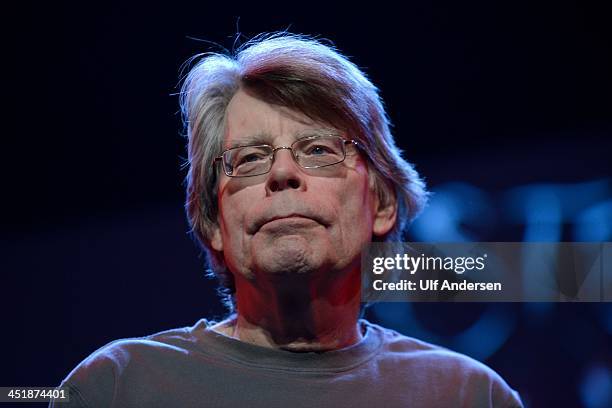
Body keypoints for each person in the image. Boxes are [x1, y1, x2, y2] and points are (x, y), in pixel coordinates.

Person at [51, 33, 523, 407]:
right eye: (251, 158)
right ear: (213, 222)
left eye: (318, 150)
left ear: (381, 203)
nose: (281, 173)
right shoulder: (116, 388)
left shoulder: (468, 395)